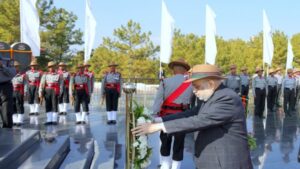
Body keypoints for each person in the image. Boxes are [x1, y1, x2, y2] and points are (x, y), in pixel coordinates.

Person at [132, 64, 253, 169]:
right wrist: (158, 119)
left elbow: (200, 120)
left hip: (225, 163)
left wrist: (158, 127)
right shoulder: (211, 95)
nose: (193, 91)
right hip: (211, 160)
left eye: (196, 86)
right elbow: (191, 112)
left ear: (210, 84)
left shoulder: (227, 98)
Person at [152, 58, 193, 169]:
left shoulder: (165, 82)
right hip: (182, 117)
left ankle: (165, 165)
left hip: (166, 116)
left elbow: (158, 101)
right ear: (185, 71)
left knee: (165, 141)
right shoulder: (191, 84)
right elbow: (193, 102)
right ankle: (176, 167)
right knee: (179, 144)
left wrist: (154, 116)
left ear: (173, 70)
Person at [0, 59, 16, 128]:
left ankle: (7, 132)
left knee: (6, 111)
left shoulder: (7, 61)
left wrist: (2, 66)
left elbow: (13, 73)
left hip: (5, 86)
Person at [11, 61, 27, 126]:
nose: (15, 68)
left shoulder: (23, 75)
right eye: (14, 67)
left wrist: (25, 93)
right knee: (13, 105)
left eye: (16, 66)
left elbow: (26, 84)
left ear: (18, 67)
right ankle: (14, 120)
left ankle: (20, 120)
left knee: (19, 105)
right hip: (12, 92)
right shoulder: (10, 75)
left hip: (19, 91)